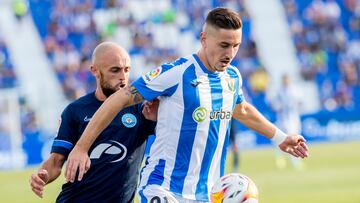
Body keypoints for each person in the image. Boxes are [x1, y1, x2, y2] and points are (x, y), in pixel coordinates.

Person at [65, 8, 309, 202]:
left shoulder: (232, 77)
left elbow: (241, 109)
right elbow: (120, 98)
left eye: (236, 45)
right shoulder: (176, 74)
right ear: (204, 39)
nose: (230, 53)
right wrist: (81, 147)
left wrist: (280, 137)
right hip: (163, 188)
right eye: (224, 45)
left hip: (208, 193)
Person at [29, 42, 158, 203]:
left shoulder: (141, 110)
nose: (123, 77)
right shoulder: (75, 110)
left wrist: (156, 118)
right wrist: (43, 175)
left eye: (127, 70)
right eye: (115, 70)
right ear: (95, 71)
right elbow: (56, 161)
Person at [271, 74, 304, 170]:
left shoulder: (295, 90)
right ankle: (281, 159)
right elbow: (274, 104)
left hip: (294, 119)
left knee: (295, 139)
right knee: (283, 139)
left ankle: (295, 160)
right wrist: (278, 107)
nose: (286, 81)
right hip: (283, 119)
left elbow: (301, 101)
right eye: (284, 79)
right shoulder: (279, 92)